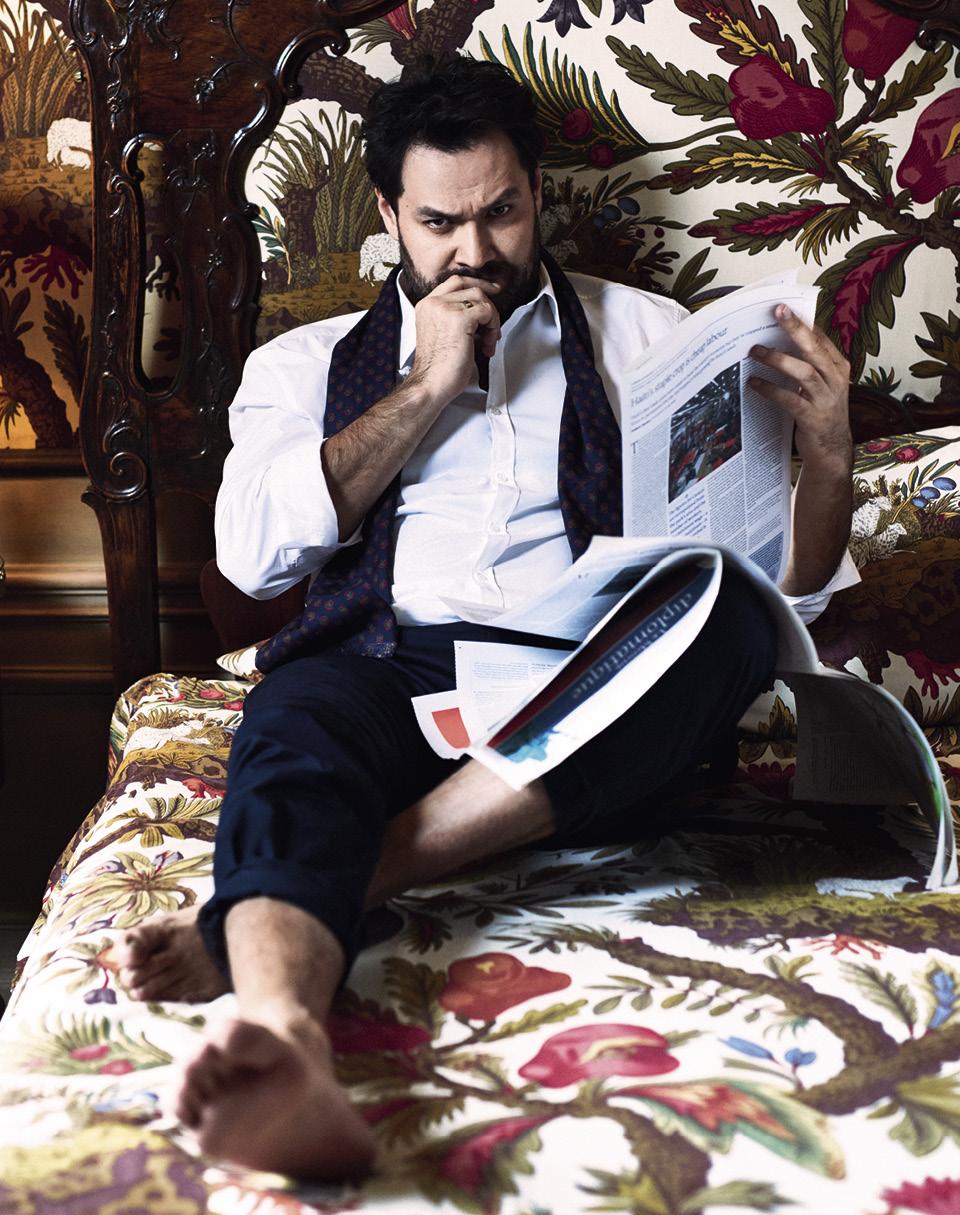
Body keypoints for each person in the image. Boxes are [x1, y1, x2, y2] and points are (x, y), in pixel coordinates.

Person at [114, 57, 855, 1181]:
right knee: (293, 719)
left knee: (729, 629)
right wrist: (422, 387)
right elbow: (251, 559)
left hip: (594, 680)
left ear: (538, 192)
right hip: (385, 669)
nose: (475, 250)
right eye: (440, 223)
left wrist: (830, 459)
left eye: (501, 212)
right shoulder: (303, 364)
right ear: (387, 216)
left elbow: (785, 595)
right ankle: (279, 1032)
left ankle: (309, 891)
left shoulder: (650, 334)